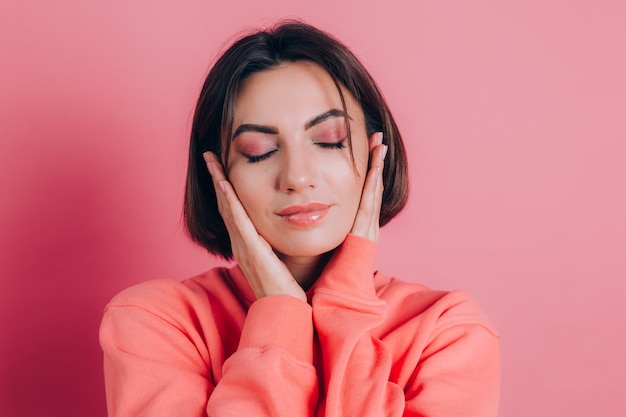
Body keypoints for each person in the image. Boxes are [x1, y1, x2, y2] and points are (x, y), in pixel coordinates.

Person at [99, 20, 500, 417]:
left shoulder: (445, 331)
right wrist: (279, 312)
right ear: (218, 174)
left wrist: (345, 303)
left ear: (378, 152)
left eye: (328, 141)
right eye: (258, 151)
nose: (297, 177)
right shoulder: (156, 322)